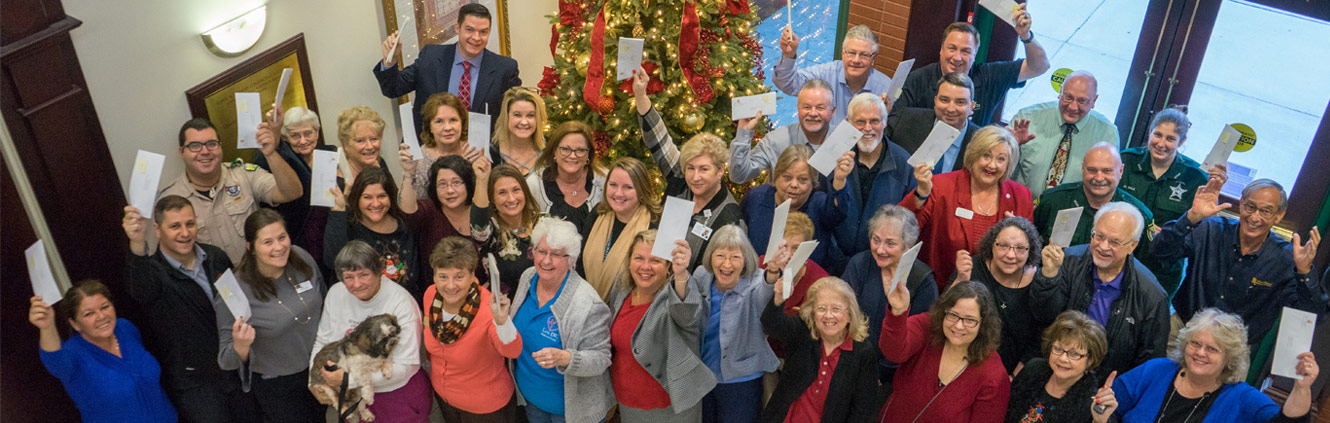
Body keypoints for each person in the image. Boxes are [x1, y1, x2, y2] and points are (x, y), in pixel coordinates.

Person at [121, 196, 260, 423]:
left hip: (235, 369)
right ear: (157, 229)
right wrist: (136, 243)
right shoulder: (153, 273)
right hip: (195, 384)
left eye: (190, 224)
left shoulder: (215, 257)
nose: (185, 233)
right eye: (175, 226)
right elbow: (139, 289)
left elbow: (237, 304)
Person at [1151, 178, 1325, 349]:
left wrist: (1304, 272)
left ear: (1279, 216)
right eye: (1250, 207)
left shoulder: (1286, 258)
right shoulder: (1210, 229)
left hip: (1233, 350)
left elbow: (1309, 315)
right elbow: (1159, 252)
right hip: (1182, 330)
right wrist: (1190, 218)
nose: (1255, 217)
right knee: (1153, 375)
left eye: (1265, 211)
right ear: (1241, 203)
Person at [1095, 308, 1318, 423]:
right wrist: (1101, 410)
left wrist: (1302, 388)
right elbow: (1105, 409)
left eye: (1212, 349)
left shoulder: (1241, 398)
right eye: (1195, 343)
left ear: (1229, 357)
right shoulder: (1156, 370)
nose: (1200, 353)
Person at [1030, 203, 1169, 377]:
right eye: (1098, 236)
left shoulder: (1152, 296)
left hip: (1106, 386)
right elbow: (1043, 317)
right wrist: (1048, 277)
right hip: (1054, 370)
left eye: (1114, 242)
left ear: (1132, 246)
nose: (1103, 246)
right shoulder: (1067, 261)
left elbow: (1149, 362)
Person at [217, 209, 326, 422]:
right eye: (267, 242)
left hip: (317, 370)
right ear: (251, 248)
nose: (279, 247)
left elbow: (322, 296)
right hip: (278, 386)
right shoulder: (232, 290)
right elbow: (225, 360)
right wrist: (240, 347)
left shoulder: (300, 257)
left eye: (282, 237)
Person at [634, 67, 744, 268]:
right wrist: (641, 95)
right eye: (690, 168)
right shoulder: (680, 179)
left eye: (704, 169)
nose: (695, 177)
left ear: (720, 171)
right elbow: (658, 140)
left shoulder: (729, 218)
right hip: (653, 273)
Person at [156, 117, 302, 263]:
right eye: (195, 146)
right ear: (181, 152)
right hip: (214, 283)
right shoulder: (169, 198)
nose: (205, 151)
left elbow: (292, 192)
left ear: (220, 147)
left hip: (259, 275)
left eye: (212, 144)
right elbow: (162, 256)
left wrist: (270, 154)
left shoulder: (243, 174)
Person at [312, 241, 430, 422]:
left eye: (364, 275)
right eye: (348, 277)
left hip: (395, 393)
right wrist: (315, 380)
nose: (357, 284)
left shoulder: (402, 303)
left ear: (379, 272)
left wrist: (347, 380)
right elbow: (323, 340)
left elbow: (406, 366)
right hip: (354, 393)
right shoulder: (336, 293)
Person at [29, 280, 178, 423]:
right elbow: (54, 360)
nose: (101, 316)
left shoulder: (125, 328)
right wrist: (47, 327)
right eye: (89, 314)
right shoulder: (72, 355)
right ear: (75, 324)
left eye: (105, 307)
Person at [511, 217, 613, 423]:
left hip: (572, 414)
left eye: (556, 254)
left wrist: (566, 358)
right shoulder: (528, 277)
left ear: (571, 260)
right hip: (531, 402)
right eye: (541, 251)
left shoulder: (588, 304)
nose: (546, 261)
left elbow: (602, 359)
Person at [902, 125, 1034, 285]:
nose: (992, 165)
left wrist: (1017, 236)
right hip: (942, 288)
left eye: (1001, 159)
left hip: (993, 293)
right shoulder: (941, 186)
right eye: (986, 156)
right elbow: (903, 228)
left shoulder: (1020, 196)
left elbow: (1028, 253)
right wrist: (921, 193)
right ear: (973, 155)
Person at [607, 230, 715, 421]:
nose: (645, 267)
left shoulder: (675, 295)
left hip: (670, 407)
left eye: (655, 260)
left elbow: (687, 315)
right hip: (627, 401)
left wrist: (681, 274)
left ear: (668, 267)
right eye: (639, 258)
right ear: (629, 261)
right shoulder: (622, 291)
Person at [1118, 107, 1226, 297]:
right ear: (1150, 132)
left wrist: (1171, 231)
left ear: (1182, 141)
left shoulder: (1195, 178)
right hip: (1118, 256)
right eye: (1157, 135)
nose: (1161, 144)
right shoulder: (1125, 161)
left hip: (1161, 269)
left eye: (1170, 139)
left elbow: (1197, 234)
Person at [421, 236, 523, 421]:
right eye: (443, 276)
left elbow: (512, 351)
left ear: (472, 276)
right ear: (434, 275)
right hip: (446, 400)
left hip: (485, 409)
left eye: (459, 276)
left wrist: (502, 321)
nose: (450, 285)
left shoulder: (488, 308)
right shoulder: (430, 296)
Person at [879, 281, 1010, 422]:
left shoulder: (993, 375)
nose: (959, 326)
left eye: (970, 320)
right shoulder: (927, 327)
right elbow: (893, 352)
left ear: (983, 324)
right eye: (953, 315)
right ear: (943, 312)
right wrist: (897, 312)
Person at [375, 3, 520, 129]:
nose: (476, 38)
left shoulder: (505, 68)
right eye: (469, 30)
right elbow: (393, 88)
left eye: (483, 32)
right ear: (457, 28)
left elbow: (514, 114)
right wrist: (390, 62)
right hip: (431, 151)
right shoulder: (431, 58)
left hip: (480, 155)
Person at [840, 204, 938, 389]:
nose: (880, 249)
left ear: (908, 245)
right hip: (848, 360)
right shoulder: (860, 263)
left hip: (891, 378)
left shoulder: (923, 281)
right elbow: (843, 312)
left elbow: (920, 340)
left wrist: (882, 373)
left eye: (890, 243)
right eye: (876, 240)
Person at [894, 13, 1051, 126]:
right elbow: (896, 119)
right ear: (941, 50)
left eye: (965, 51)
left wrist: (1026, 35)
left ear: (975, 55)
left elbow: (1040, 66)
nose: (957, 57)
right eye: (952, 49)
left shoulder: (990, 76)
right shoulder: (918, 79)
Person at [692, 224, 780, 423]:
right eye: (720, 255)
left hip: (742, 380)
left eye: (735, 257)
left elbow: (765, 297)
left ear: (746, 259)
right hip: (704, 376)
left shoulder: (757, 281)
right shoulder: (701, 276)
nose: (727, 264)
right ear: (710, 257)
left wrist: (772, 273)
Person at [761, 277, 879, 422]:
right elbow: (772, 324)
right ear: (813, 313)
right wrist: (778, 300)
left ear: (850, 315)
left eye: (836, 309)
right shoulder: (803, 332)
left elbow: (862, 410)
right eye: (821, 308)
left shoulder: (863, 353)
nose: (828, 315)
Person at [1031, 142, 1155, 261]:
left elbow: (1142, 266)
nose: (1099, 178)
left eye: (1107, 171)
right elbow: (1029, 244)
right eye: (1092, 170)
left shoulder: (1138, 216)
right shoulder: (1053, 200)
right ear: (1083, 169)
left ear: (1121, 171)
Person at [740, 145, 849, 274]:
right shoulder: (756, 197)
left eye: (802, 180)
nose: (794, 185)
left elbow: (837, 213)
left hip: (806, 286)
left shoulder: (818, 203)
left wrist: (839, 180)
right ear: (776, 176)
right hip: (757, 282)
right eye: (787, 177)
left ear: (812, 183)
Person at [1010, 71, 1121, 197]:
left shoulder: (1107, 134)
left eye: (1082, 101)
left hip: (1071, 212)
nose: (1073, 107)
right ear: (1060, 93)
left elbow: (1108, 184)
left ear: (1094, 100)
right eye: (1068, 97)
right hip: (1020, 207)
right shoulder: (1027, 118)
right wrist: (1011, 146)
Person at [955, 216, 1043, 374]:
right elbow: (945, 313)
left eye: (1020, 248)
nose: (1010, 254)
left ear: (1031, 251)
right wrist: (961, 279)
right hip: (963, 365)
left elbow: (1039, 339)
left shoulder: (1039, 281)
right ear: (991, 245)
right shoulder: (971, 268)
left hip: (1013, 373)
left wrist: (1015, 377)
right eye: (1003, 245)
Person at [835, 92, 917, 257]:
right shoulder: (833, 156)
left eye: (874, 121)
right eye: (860, 122)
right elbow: (821, 211)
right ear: (848, 123)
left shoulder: (904, 165)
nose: (867, 128)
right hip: (833, 259)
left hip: (880, 260)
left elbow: (910, 223)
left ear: (885, 122)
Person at [326, 166, 422, 299]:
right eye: (367, 197)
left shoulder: (405, 225)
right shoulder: (347, 226)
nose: (376, 204)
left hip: (407, 306)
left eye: (382, 196)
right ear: (357, 198)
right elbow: (333, 261)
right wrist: (338, 211)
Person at [251, 106, 335, 248]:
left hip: (329, 232)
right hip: (298, 239)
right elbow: (269, 155)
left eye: (308, 133)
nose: (303, 141)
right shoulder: (284, 160)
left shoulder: (329, 155)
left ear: (317, 133)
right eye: (295, 135)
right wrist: (274, 132)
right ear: (286, 137)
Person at [400, 155, 487, 289]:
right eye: (442, 184)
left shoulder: (481, 212)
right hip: (437, 297)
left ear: (468, 183)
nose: (450, 190)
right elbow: (407, 211)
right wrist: (409, 172)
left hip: (481, 297)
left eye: (456, 182)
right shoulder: (429, 211)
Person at [774, 24, 891, 123]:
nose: (856, 60)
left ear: (874, 58)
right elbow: (789, 84)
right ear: (843, 53)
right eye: (851, 53)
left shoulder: (886, 88)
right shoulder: (825, 74)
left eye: (864, 55)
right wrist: (788, 55)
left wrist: (884, 116)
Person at [1005, 310, 1107, 423]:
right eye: (1058, 349)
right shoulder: (1033, 368)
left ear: (1090, 360)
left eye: (1074, 354)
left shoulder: (1090, 403)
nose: (1063, 358)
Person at [729, 79, 837, 184]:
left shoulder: (843, 140)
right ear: (798, 108)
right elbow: (739, 176)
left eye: (820, 108)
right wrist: (744, 133)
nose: (813, 113)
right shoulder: (776, 141)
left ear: (832, 111)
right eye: (806, 107)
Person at [581, 157, 660, 300]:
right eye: (613, 185)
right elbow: (579, 264)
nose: (618, 193)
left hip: (628, 310)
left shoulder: (654, 224)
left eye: (628, 187)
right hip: (586, 306)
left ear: (641, 189)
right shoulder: (598, 213)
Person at [884, 73, 982, 173]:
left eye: (960, 102)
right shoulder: (905, 120)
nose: (951, 109)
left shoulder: (981, 142)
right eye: (944, 100)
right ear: (935, 101)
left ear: (971, 106)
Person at [526, 120, 607, 236]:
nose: (572, 156)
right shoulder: (534, 184)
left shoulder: (605, 182)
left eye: (580, 150)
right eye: (565, 149)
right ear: (554, 151)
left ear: (589, 154)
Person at [472, 164, 541, 295]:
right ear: (492, 199)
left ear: (524, 191)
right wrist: (481, 180)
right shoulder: (491, 231)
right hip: (505, 310)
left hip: (545, 308)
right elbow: (478, 229)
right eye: (502, 192)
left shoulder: (542, 221)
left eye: (516, 190)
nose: (511, 198)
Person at [406, 92, 489, 194]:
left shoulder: (475, 150)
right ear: (429, 127)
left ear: (462, 122)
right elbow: (415, 203)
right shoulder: (420, 159)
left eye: (453, 120)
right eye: (439, 121)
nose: (448, 128)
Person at [489, 87, 546, 175]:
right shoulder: (490, 152)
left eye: (530, 115)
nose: (524, 122)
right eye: (517, 115)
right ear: (506, 117)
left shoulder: (549, 150)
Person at [336, 105, 392, 182]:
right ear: (346, 145)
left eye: (373, 139)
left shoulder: (380, 163)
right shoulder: (339, 184)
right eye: (360, 141)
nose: (369, 146)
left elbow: (394, 193)